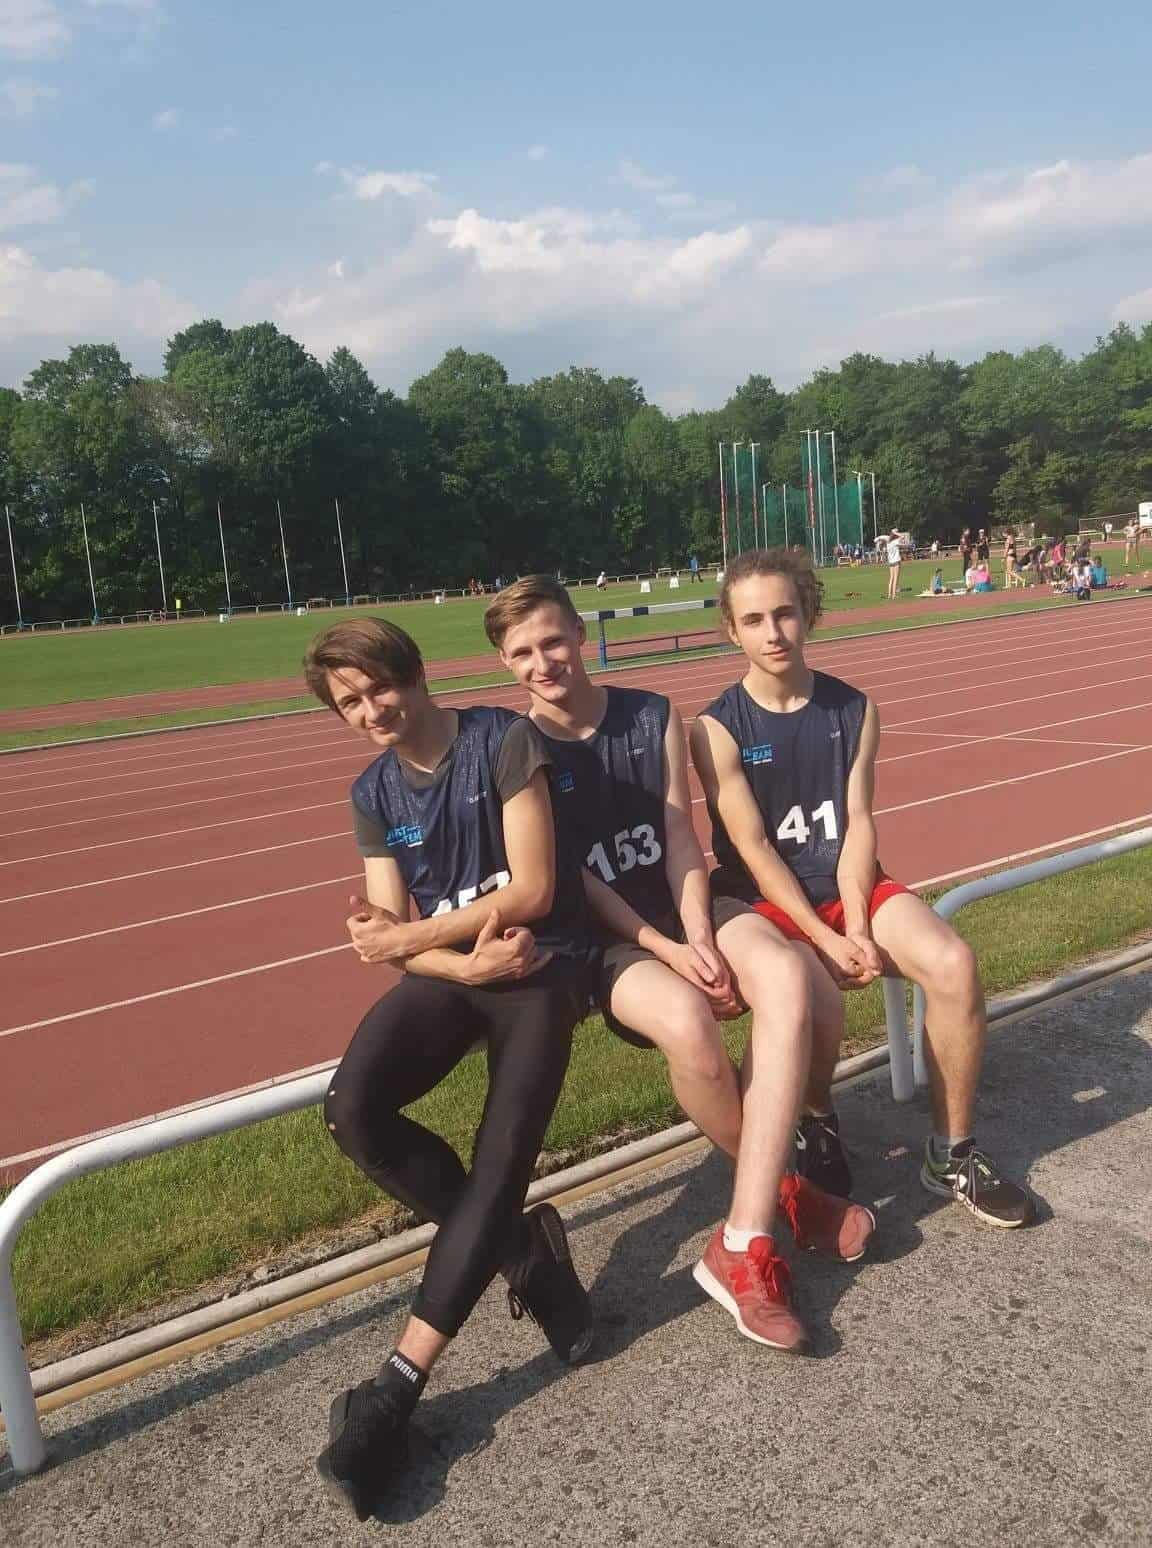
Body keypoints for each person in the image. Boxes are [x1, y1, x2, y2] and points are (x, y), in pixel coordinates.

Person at [484, 576, 873, 1352]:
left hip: (687, 902)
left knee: (788, 975)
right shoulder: (514, 747)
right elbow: (576, 879)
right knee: (690, 1023)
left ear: (581, 635)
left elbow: (679, 836)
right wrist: (669, 951)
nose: (543, 662)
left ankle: (739, 1240)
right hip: (605, 938)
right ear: (505, 663)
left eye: (554, 641)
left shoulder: (651, 713)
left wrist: (697, 932)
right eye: (522, 653)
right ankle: (785, 1200)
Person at [302, 618, 595, 1519]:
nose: (370, 711)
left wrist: (413, 941)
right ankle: (525, 1255)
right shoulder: (371, 792)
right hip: (464, 975)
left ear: (415, 674)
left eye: (378, 688)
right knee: (352, 1111)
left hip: (540, 968)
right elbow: (392, 935)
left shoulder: (500, 742)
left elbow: (533, 889)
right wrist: (460, 966)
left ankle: (397, 1386)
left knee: (499, 1163)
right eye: (349, 703)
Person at [690, 548, 1035, 1235]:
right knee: (813, 991)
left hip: (845, 883)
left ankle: (951, 1153)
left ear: (808, 613)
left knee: (953, 962)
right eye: (753, 620)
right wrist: (826, 939)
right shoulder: (716, 729)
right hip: (761, 897)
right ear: (732, 630)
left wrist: (855, 923)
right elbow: (754, 850)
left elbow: (857, 824)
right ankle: (817, 1117)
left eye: (785, 613)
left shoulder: (854, 709)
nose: (773, 633)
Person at [884, 529, 902, 601]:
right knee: (895, 578)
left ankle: (889, 594)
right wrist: (896, 533)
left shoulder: (888, 543)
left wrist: (893, 532)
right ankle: (894, 595)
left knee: (891, 578)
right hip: (896, 561)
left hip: (890, 562)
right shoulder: (895, 541)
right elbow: (902, 536)